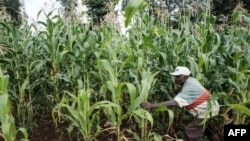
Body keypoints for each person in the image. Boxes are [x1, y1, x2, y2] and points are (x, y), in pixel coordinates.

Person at [140, 66, 220, 141]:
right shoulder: (191, 80)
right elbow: (185, 88)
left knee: (189, 131)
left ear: (185, 76)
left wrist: (152, 105)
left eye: (178, 77)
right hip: (211, 106)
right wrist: (178, 90)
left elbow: (175, 102)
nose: (176, 79)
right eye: (175, 76)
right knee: (209, 130)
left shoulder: (189, 87)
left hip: (208, 110)